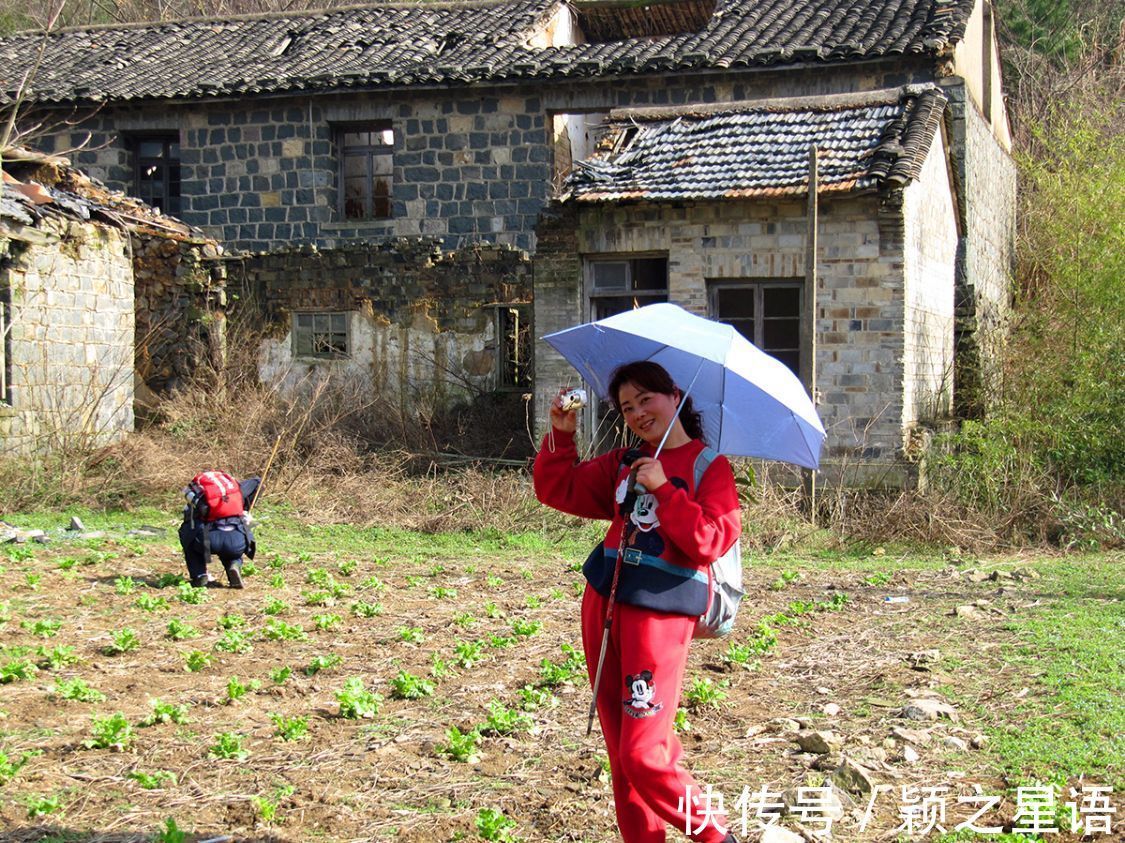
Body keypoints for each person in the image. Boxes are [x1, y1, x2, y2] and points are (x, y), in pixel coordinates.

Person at [534, 361, 743, 843]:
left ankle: (715, 836)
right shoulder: (626, 461)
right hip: (604, 604)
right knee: (620, 753)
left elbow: (710, 540)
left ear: (673, 396)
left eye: (646, 399)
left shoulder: (708, 466)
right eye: (627, 407)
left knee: (643, 753)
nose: (637, 413)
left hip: (660, 615)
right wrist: (561, 435)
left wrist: (664, 490)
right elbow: (558, 488)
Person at [178, 473, 260, 589]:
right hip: (237, 542)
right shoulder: (235, 491)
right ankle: (234, 564)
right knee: (232, 542)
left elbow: (190, 519)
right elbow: (257, 482)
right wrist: (245, 508)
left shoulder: (199, 494)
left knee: (187, 532)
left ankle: (200, 575)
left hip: (208, 541)